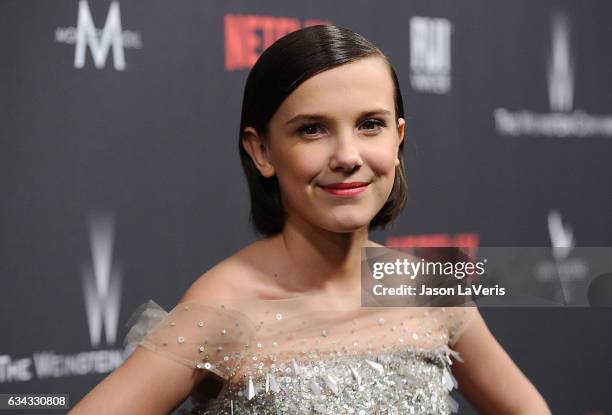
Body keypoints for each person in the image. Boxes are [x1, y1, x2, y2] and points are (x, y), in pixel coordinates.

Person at [70, 25, 551, 414]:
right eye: (312, 130)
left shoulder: (427, 286)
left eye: (370, 125)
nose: (347, 156)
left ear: (398, 140)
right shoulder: (223, 306)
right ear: (262, 150)